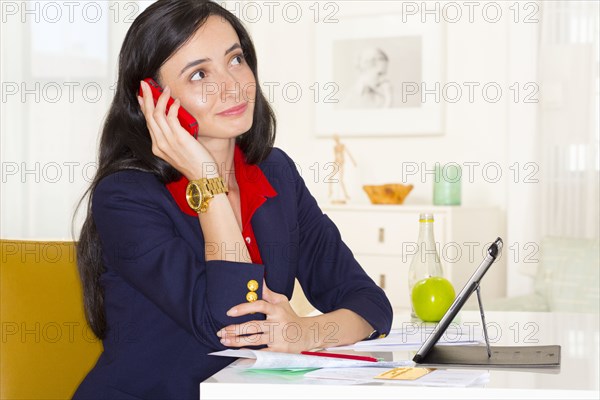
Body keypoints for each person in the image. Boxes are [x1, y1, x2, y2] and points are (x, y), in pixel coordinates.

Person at [73, 1, 392, 398]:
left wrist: (303, 331)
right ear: (152, 98)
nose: (232, 85)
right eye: (200, 74)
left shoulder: (275, 173)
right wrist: (208, 184)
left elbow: (370, 304)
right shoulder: (125, 197)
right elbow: (230, 329)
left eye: (236, 59)